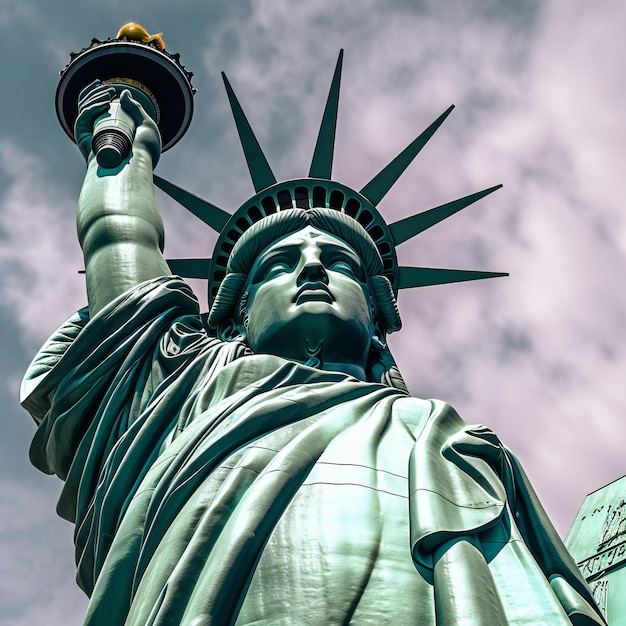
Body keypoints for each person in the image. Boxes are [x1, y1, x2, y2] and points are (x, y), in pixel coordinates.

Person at [21, 77, 606, 625]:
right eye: (279, 264)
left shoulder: (443, 437)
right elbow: (118, 240)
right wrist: (123, 129)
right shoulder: (188, 387)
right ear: (239, 313)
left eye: (341, 263)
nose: (312, 269)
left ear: (376, 318)